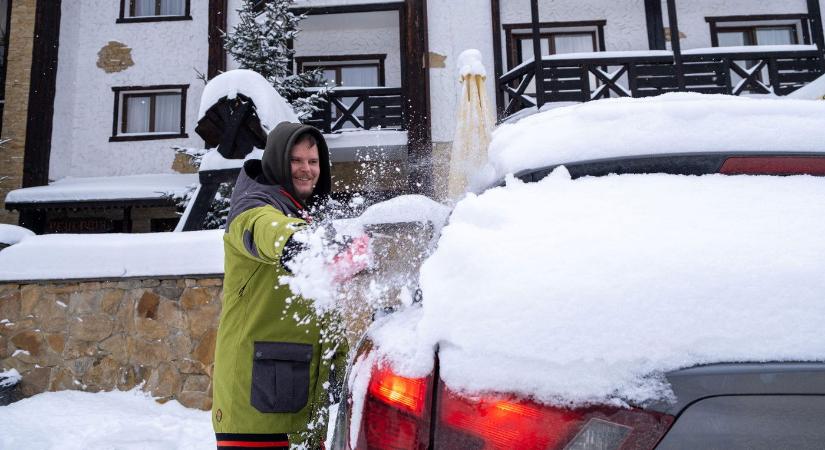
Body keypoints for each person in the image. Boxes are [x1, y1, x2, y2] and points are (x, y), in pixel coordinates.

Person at [212, 122, 348, 449]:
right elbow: (271, 231)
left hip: (301, 404)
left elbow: (321, 310)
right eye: (296, 160)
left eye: (313, 162)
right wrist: (298, 241)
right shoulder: (253, 210)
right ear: (277, 162)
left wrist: (342, 366)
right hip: (254, 408)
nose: (306, 169)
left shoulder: (309, 220)